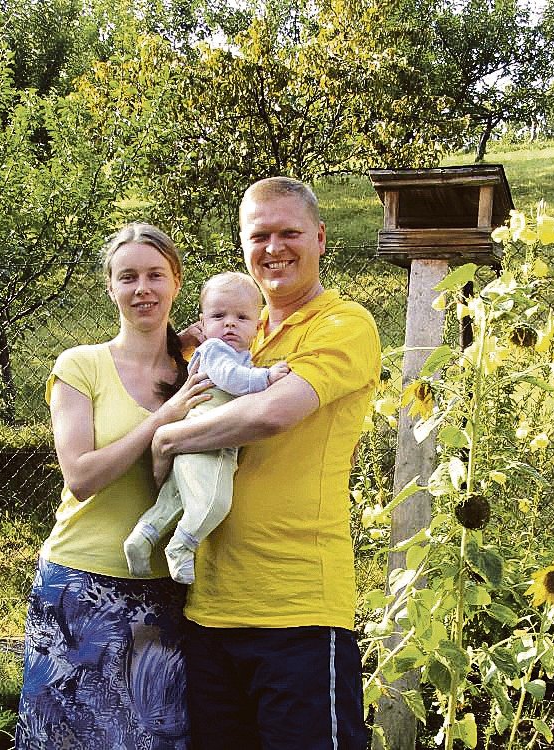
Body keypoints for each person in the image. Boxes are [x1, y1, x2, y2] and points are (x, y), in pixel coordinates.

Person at [151, 177, 381, 750]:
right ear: (243, 245)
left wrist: (169, 438)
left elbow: (272, 414)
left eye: (289, 232)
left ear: (321, 237)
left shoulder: (342, 324)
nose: (274, 248)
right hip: (208, 608)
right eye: (260, 236)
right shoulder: (240, 337)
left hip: (298, 612)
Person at [15, 223, 212, 750]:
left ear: (176, 281)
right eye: (128, 277)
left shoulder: (199, 368)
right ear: (111, 288)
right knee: (67, 740)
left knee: (153, 739)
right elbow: (81, 477)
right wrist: (164, 416)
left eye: (154, 275)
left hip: (163, 589)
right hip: (78, 585)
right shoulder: (81, 365)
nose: (142, 289)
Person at [124, 271, 289, 584]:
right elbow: (230, 379)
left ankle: (142, 539)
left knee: (173, 502)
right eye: (218, 316)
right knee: (214, 503)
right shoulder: (215, 352)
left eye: (241, 317)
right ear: (203, 324)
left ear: (257, 326)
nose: (229, 323)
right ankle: (181, 548)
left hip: (194, 443)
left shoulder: (242, 357)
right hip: (206, 445)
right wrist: (266, 378)